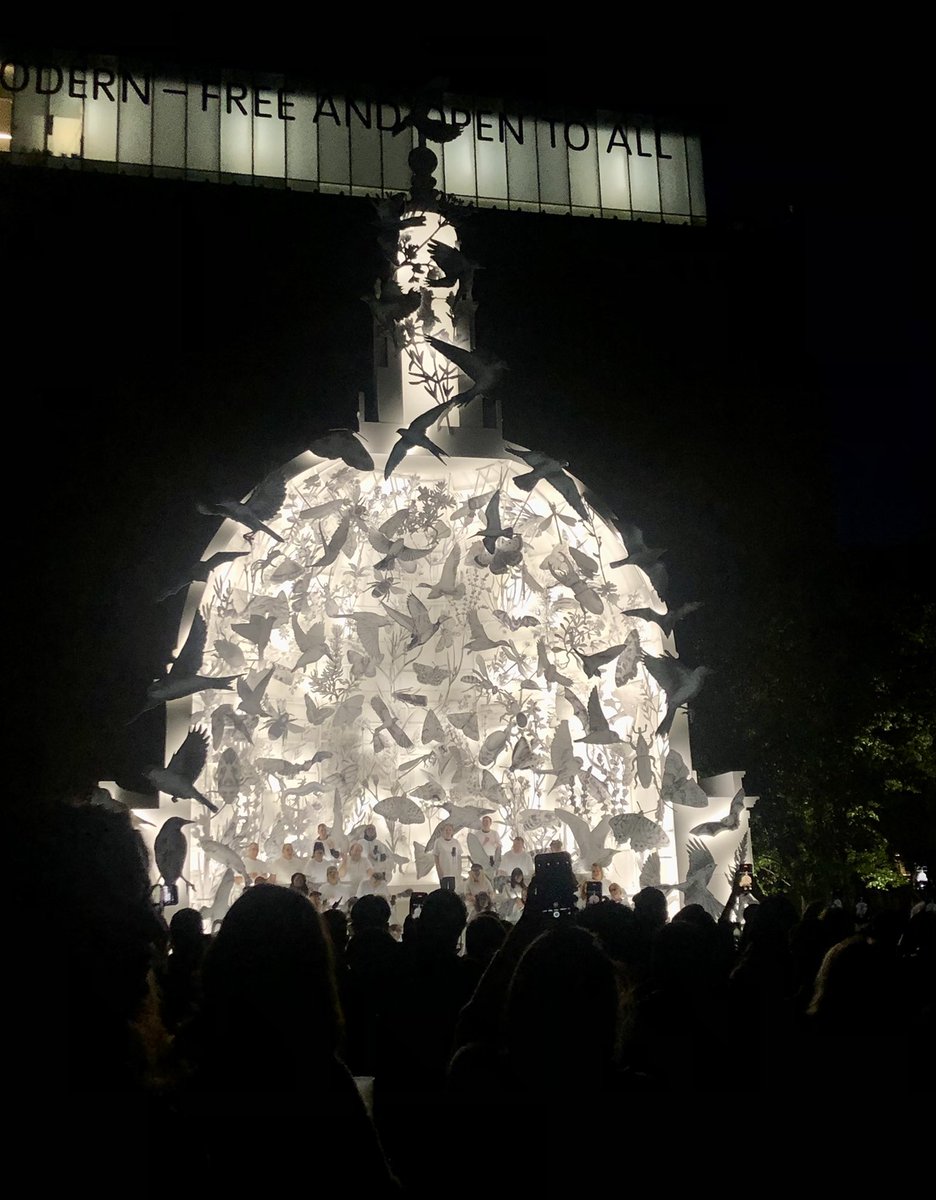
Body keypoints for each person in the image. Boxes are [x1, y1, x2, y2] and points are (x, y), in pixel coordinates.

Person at [432, 823, 462, 891]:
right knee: (444, 890)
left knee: (452, 890)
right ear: (443, 831)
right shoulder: (438, 842)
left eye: (450, 830)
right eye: (446, 830)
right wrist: (438, 869)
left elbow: (459, 857)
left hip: (453, 871)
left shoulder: (456, 842)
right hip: (443, 871)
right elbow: (436, 856)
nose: (448, 831)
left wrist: (459, 869)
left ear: (452, 831)